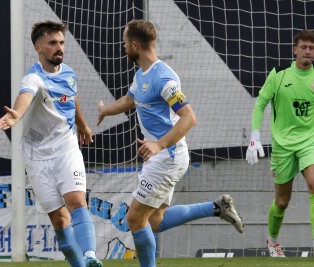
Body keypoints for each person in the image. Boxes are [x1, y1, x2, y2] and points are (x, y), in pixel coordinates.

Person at [97, 19, 244, 267]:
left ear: (135, 45)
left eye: (124, 43)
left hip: (167, 156)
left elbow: (189, 117)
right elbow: (129, 100)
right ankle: (217, 207)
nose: (123, 47)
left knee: (134, 218)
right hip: (163, 156)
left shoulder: (165, 79)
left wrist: (159, 145)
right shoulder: (142, 74)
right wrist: (105, 110)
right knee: (155, 221)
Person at [0, 21, 103, 267]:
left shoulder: (69, 73)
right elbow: (25, 96)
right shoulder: (34, 77)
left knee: (77, 201)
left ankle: (90, 256)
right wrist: (16, 114)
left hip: (67, 149)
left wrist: (82, 124)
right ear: (38, 47)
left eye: (62, 43)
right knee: (58, 219)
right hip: (38, 157)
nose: (59, 48)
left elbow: (71, 98)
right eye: (53, 43)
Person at [246, 30, 314, 258]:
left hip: (310, 142)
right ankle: (273, 241)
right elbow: (260, 104)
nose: (308, 51)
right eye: (304, 47)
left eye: (312, 48)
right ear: (295, 49)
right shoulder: (278, 75)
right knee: (282, 200)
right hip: (283, 145)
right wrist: (254, 137)